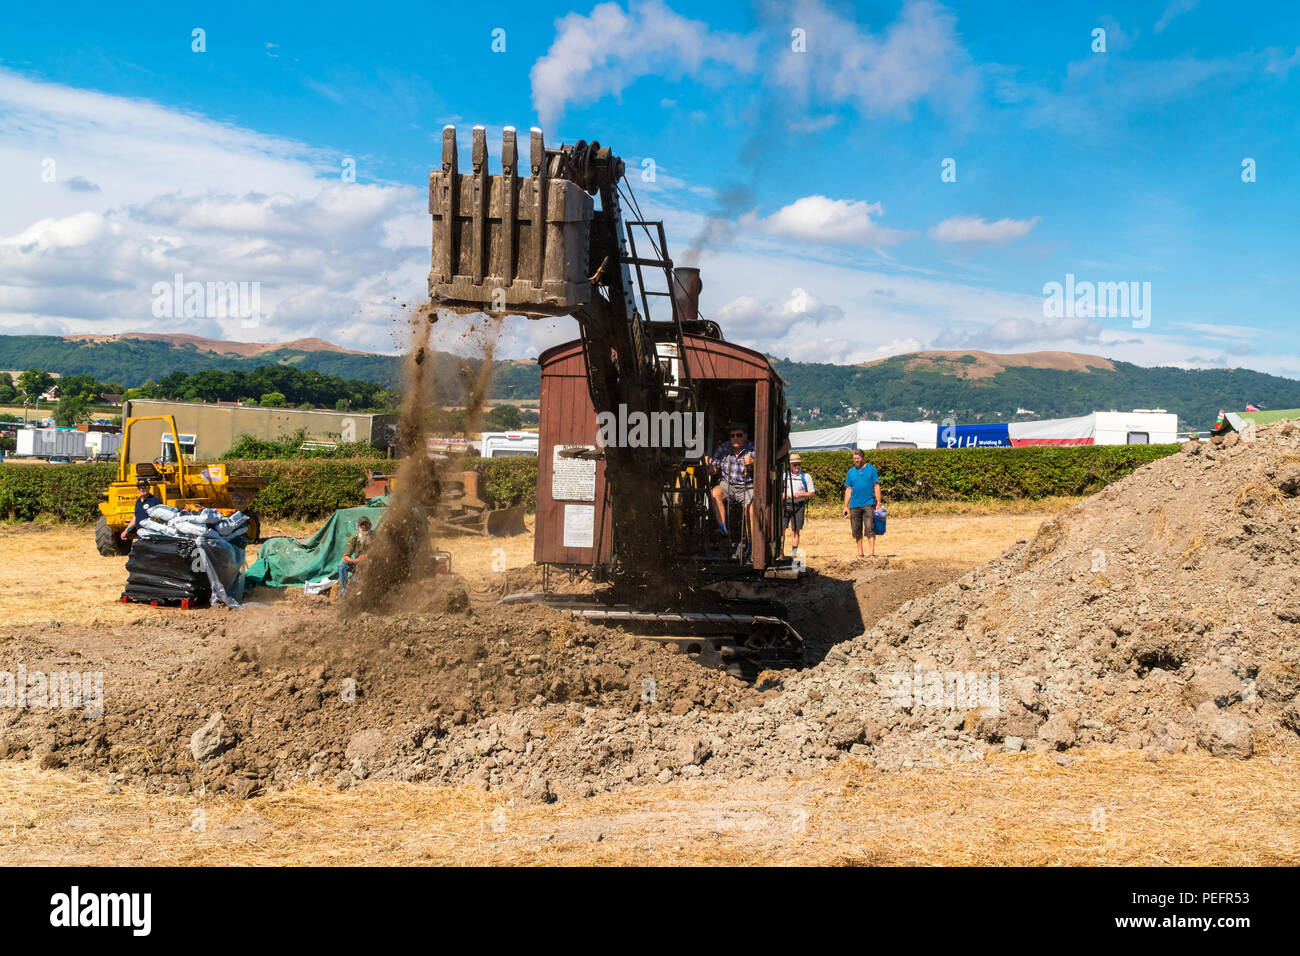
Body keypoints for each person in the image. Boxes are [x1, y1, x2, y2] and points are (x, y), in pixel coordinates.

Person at [706, 422, 756, 551]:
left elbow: (764, 468)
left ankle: (751, 544)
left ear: (746, 436)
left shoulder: (753, 448)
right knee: (714, 493)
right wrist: (707, 464)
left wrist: (754, 462)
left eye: (739, 435)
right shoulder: (723, 448)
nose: (735, 438)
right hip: (727, 484)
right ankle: (722, 529)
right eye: (732, 435)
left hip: (748, 486)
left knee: (750, 509)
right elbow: (714, 470)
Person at [842, 448, 882, 558]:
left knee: (870, 527)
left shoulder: (871, 469)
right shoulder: (851, 472)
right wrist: (845, 506)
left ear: (863, 458)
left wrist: (878, 502)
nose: (856, 460)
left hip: (869, 503)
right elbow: (848, 489)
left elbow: (876, 486)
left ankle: (872, 553)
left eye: (858, 458)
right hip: (854, 505)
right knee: (856, 529)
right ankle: (860, 553)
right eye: (854, 458)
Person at [783, 453, 815, 551]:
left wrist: (801, 495)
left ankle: (794, 553)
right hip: (785, 505)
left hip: (799, 506)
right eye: (794, 465)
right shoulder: (785, 476)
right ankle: (781, 553)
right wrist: (783, 495)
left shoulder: (806, 476)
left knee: (796, 530)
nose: (797, 467)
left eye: (798, 464)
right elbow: (779, 491)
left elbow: (812, 493)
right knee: (782, 530)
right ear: (790, 465)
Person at [338, 516, 372, 594]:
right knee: (342, 566)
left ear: (370, 525)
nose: (365, 527)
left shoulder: (375, 536)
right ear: (358, 527)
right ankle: (343, 593)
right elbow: (345, 557)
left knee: (356, 583)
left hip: (372, 564)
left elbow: (380, 548)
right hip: (358, 565)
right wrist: (355, 560)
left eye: (367, 524)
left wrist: (368, 556)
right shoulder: (354, 539)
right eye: (362, 525)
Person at [120, 478, 162, 543]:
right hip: (141, 535)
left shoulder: (155, 500)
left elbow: (162, 518)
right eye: (139, 487)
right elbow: (136, 517)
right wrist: (126, 530)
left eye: (144, 487)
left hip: (152, 536)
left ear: (149, 488)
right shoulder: (138, 501)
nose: (141, 489)